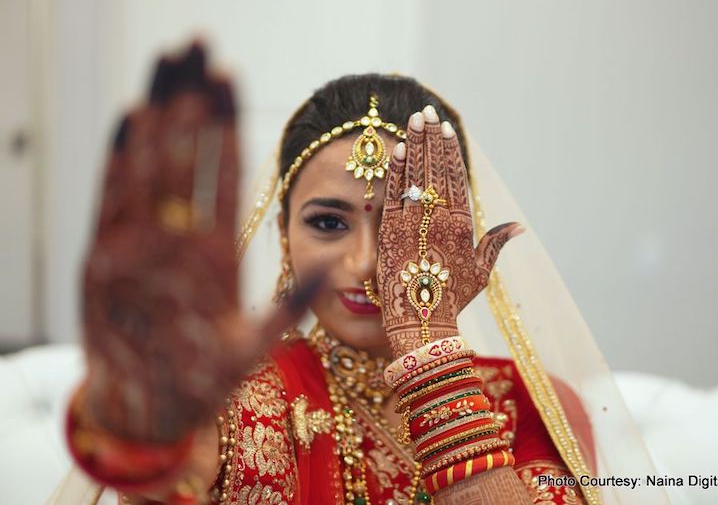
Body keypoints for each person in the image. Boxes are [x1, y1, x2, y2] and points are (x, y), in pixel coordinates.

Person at [56, 43, 665, 505]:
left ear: (462, 237)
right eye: (328, 223)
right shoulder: (243, 396)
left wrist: (432, 364)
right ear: (284, 238)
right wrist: (141, 395)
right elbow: (165, 463)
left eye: (409, 225)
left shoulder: (529, 403)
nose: (369, 262)